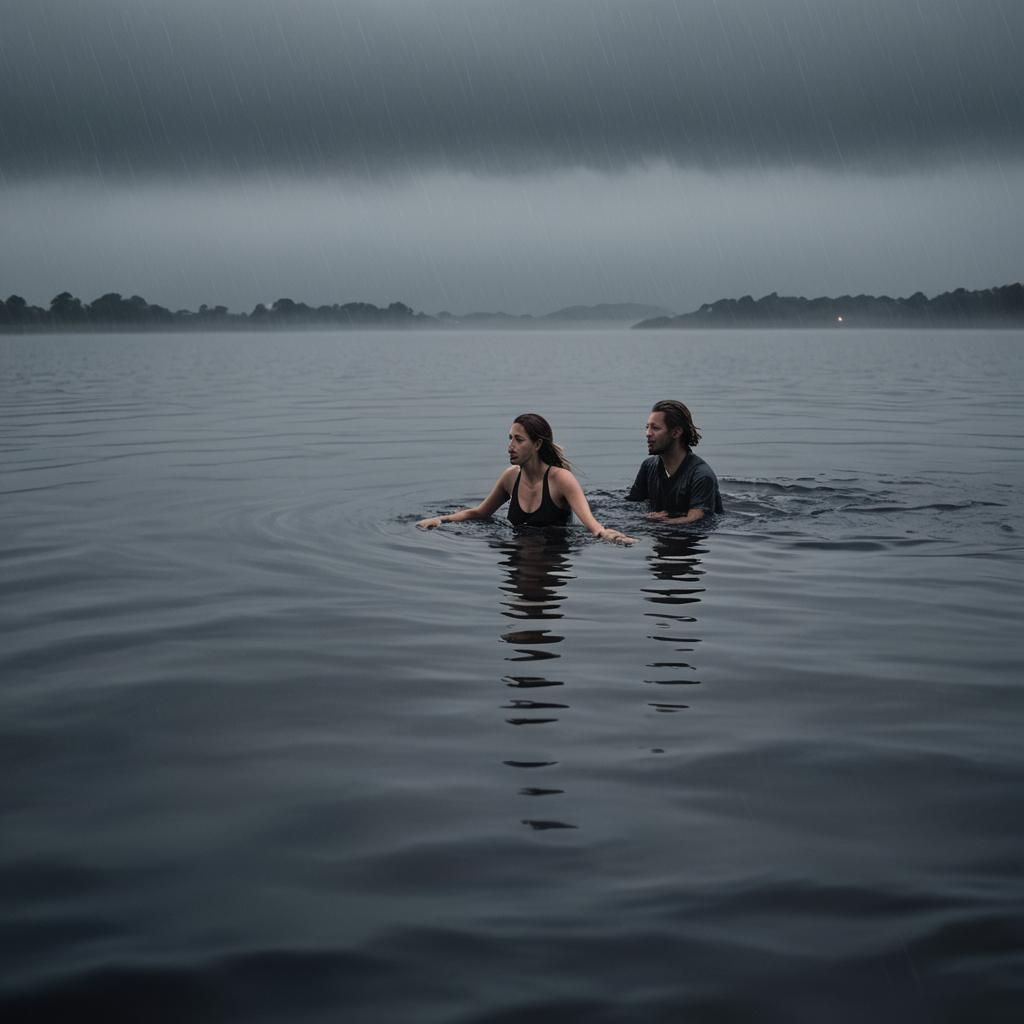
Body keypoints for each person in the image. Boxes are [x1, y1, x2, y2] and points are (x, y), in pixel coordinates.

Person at [417, 413, 634, 544]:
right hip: (517, 549)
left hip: (553, 553)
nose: (510, 446)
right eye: (510, 438)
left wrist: (607, 535)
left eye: (519, 440)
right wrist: (441, 520)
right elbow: (480, 512)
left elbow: (592, 525)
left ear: (537, 444)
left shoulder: (562, 479)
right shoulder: (510, 477)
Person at [627, 400, 723, 524]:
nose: (648, 433)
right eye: (647, 427)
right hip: (661, 536)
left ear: (676, 432)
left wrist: (653, 522)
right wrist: (642, 518)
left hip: (690, 540)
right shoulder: (648, 466)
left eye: (655, 428)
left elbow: (695, 519)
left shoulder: (701, 475)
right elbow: (630, 506)